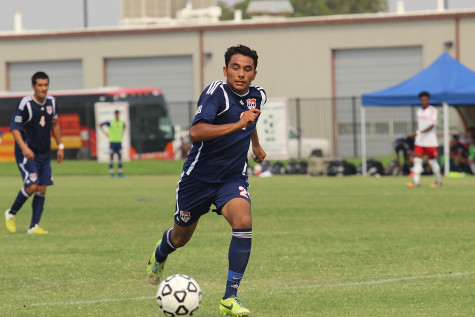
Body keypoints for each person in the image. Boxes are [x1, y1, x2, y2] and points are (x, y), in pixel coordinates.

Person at [146, 45, 266, 316]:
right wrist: (237, 124)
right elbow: (196, 132)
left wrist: (255, 145)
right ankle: (159, 255)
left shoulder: (258, 96)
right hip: (197, 180)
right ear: (225, 70)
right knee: (180, 237)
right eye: (235, 68)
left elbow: (251, 119)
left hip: (232, 178)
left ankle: (229, 299)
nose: (240, 73)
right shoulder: (216, 93)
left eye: (247, 69)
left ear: (254, 74)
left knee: (243, 221)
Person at [4, 71, 64, 234]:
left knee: (42, 188)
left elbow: (55, 124)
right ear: (33, 86)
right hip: (27, 153)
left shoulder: (52, 102)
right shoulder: (25, 104)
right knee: (32, 186)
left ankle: (33, 226)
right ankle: (11, 213)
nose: (43, 88)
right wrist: (24, 148)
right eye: (40, 85)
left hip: (44, 153)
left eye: (45, 85)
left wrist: (60, 146)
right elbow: (15, 129)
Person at [406, 91, 442, 188]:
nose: (423, 101)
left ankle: (438, 181)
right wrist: (418, 134)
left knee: (432, 161)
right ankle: (416, 182)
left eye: (425, 99)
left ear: (428, 100)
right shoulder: (419, 110)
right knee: (417, 160)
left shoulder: (432, 110)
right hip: (420, 141)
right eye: (422, 99)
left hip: (430, 141)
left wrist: (418, 132)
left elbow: (431, 125)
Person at [99, 110, 126, 178]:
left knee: (119, 157)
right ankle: (111, 173)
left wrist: (122, 134)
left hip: (119, 142)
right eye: (116, 114)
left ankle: (120, 173)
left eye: (118, 114)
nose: (117, 115)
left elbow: (125, 126)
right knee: (111, 157)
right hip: (112, 142)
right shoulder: (111, 122)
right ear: (115, 115)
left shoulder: (121, 122)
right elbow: (100, 125)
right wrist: (105, 133)